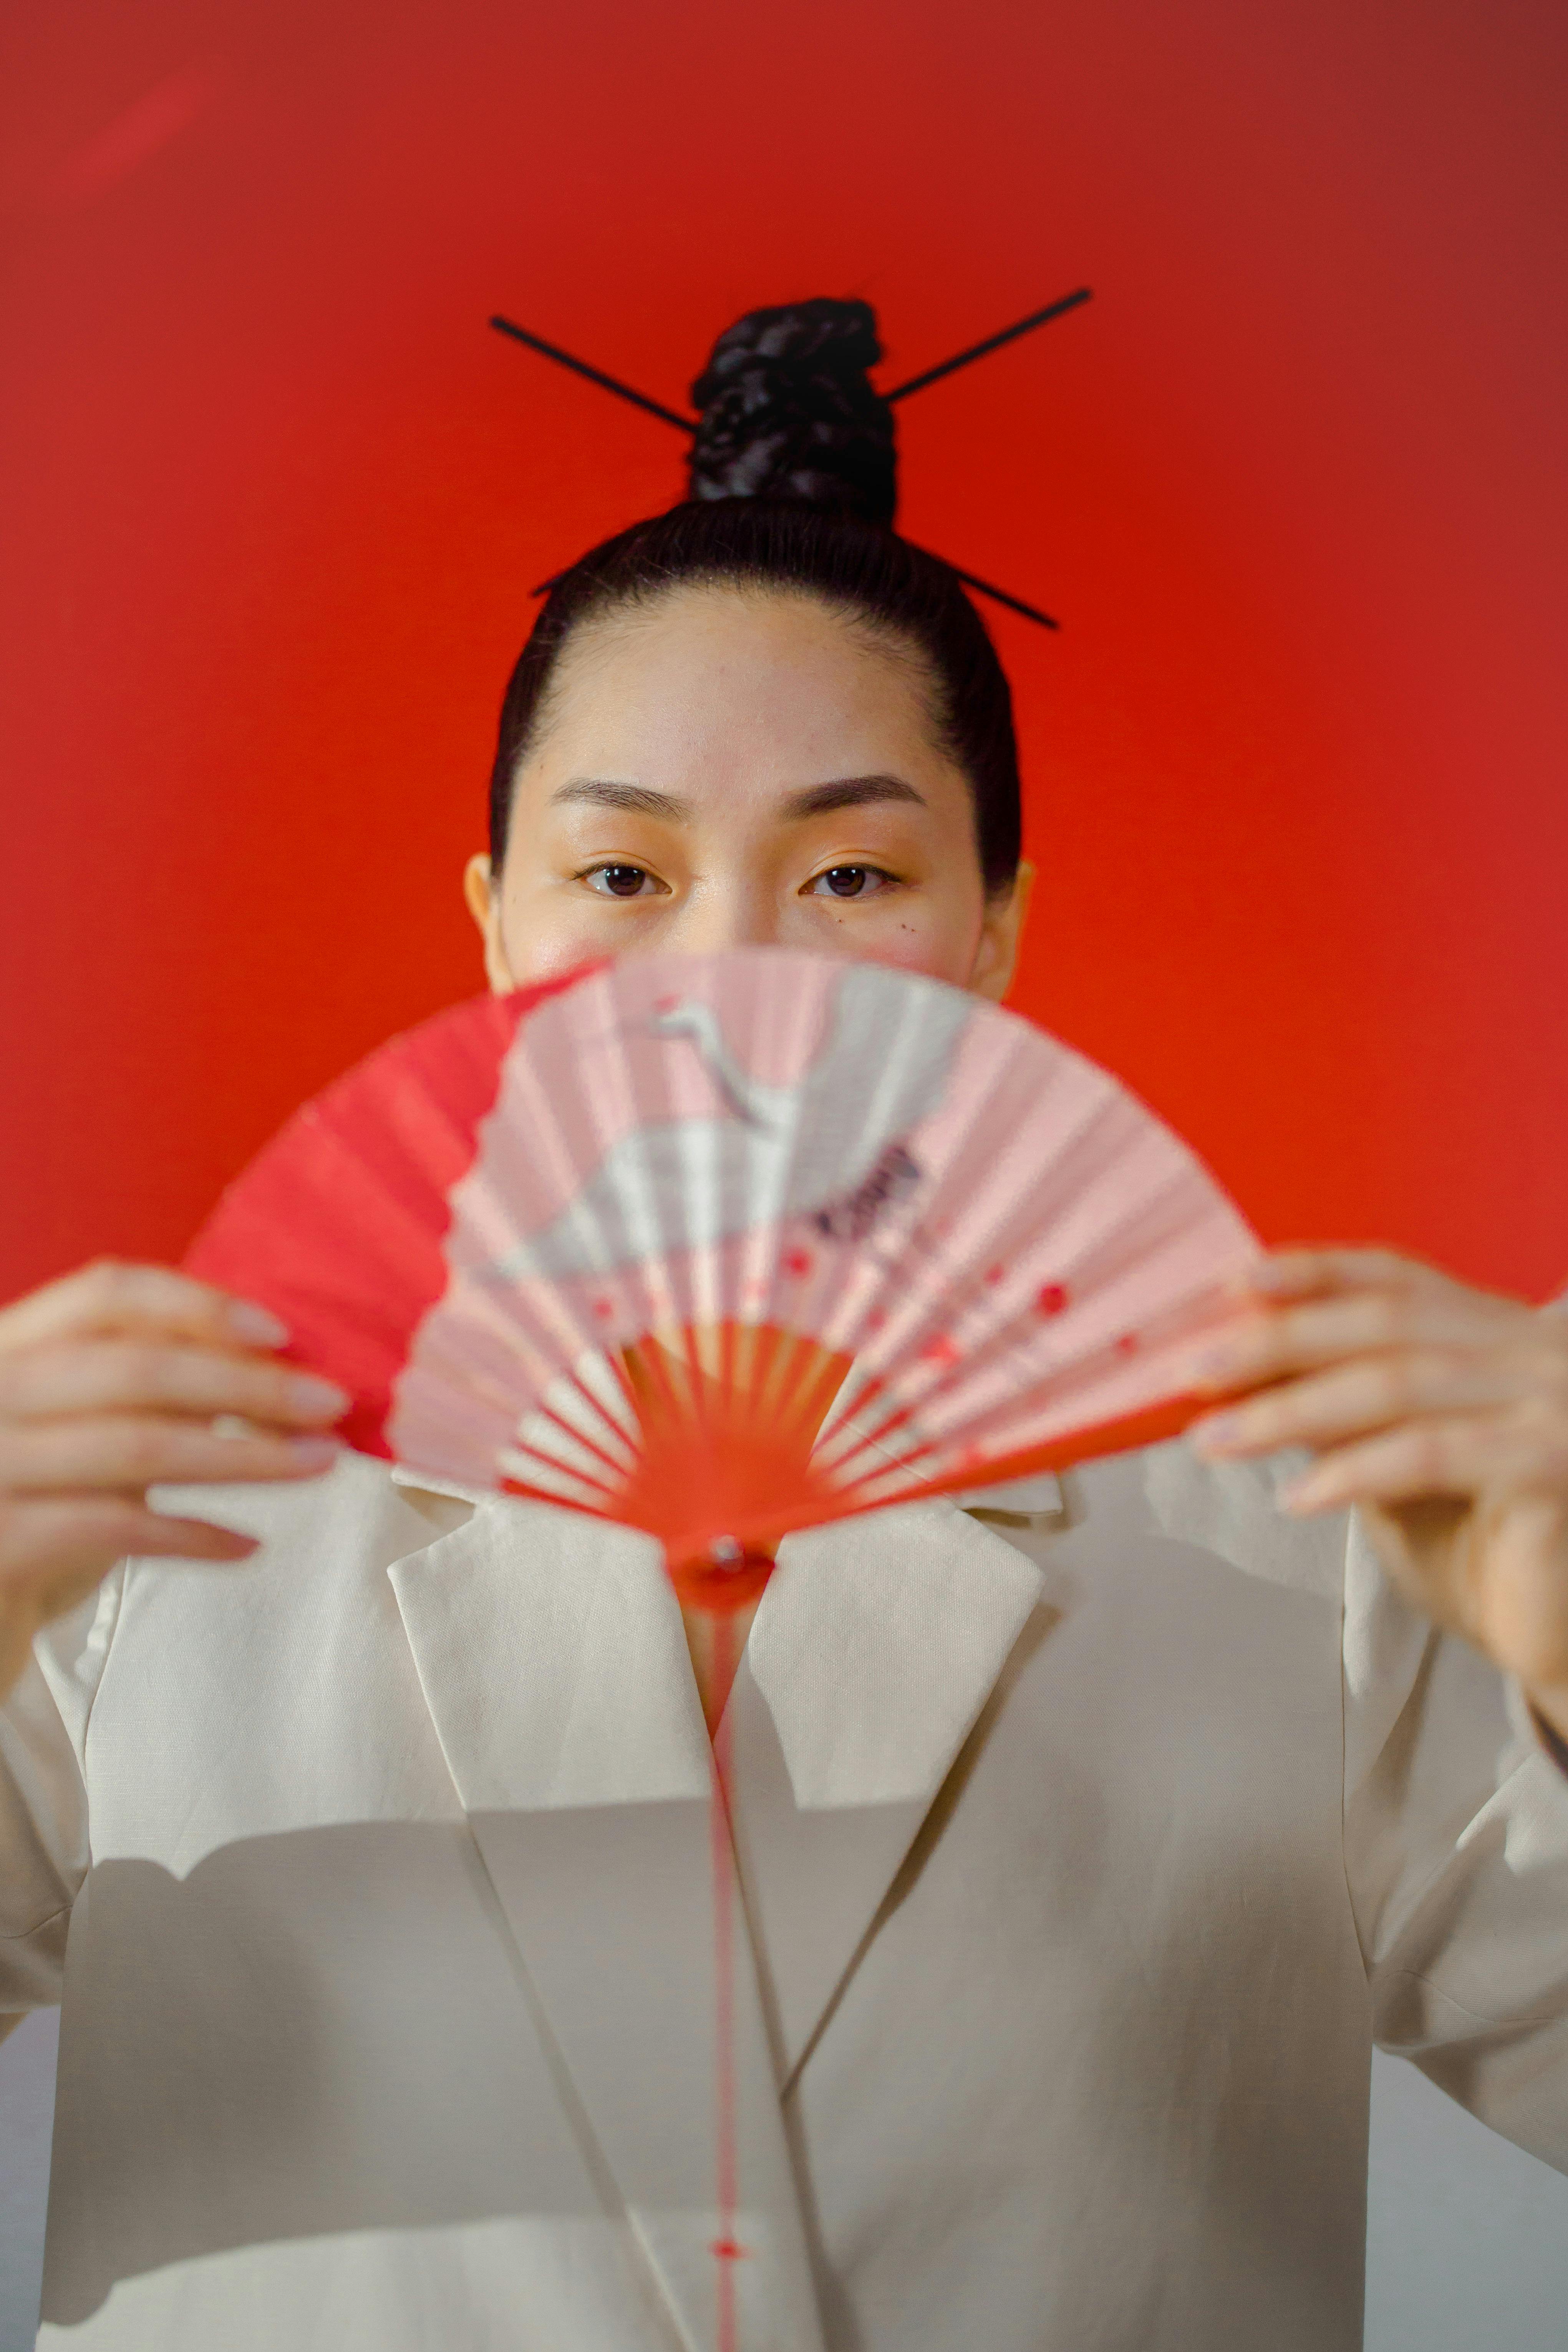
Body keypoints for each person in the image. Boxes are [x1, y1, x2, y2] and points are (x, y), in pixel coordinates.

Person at [1, 300, 1564, 2352]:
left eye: (844, 873)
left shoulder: (1316, 1546)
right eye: (623, 871)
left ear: (993, 932)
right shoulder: (146, 1519)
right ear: (492, 926)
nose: (725, 972)